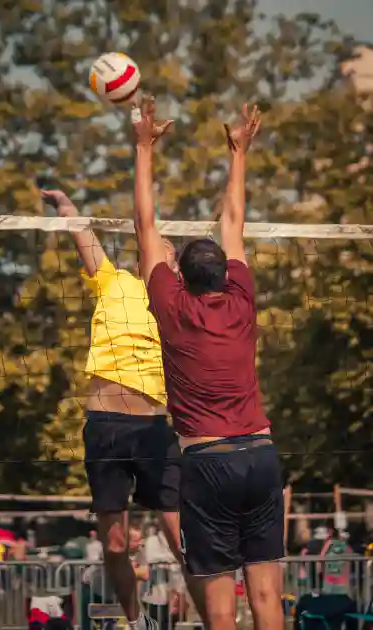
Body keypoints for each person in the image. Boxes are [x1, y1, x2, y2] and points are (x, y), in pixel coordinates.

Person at [131, 95, 285, 630]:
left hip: (208, 462)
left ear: (181, 276)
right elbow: (234, 220)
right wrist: (239, 152)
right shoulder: (242, 298)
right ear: (225, 272)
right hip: (260, 456)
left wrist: (144, 147)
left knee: (220, 612)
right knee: (267, 599)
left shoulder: (172, 308)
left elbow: (145, 225)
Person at [40, 189, 203, 630]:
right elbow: (83, 236)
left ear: (175, 266)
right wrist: (67, 208)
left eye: (163, 246)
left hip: (153, 429)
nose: (151, 245)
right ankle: (137, 622)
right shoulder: (115, 282)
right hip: (106, 426)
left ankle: (214, 619)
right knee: (114, 545)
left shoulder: (179, 302)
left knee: (183, 541)